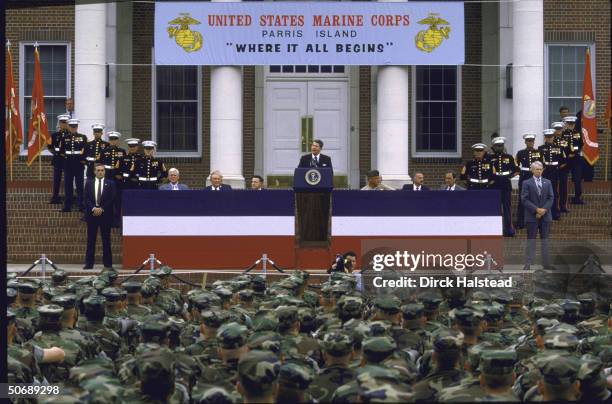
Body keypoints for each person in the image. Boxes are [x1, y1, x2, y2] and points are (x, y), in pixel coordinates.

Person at [521, 161, 554, 271]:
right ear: (532, 170)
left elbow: (551, 198)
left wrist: (543, 210)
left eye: (540, 169)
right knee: (531, 240)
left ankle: (546, 263)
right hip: (532, 216)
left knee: (545, 241)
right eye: (536, 169)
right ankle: (528, 263)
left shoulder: (548, 182)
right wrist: (536, 210)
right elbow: (524, 199)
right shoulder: (527, 183)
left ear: (542, 170)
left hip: (545, 216)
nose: (538, 171)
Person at [83, 163, 116, 270]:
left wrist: (102, 208)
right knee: (91, 240)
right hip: (92, 214)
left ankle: (108, 264)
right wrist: (93, 208)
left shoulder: (110, 183)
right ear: (94, 172)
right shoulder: (89, 183)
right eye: (98, 170)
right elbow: (86, 198)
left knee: (106, 240)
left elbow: (112, 198)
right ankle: (89, 263)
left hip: (105, 215)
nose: (100, 172)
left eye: (102, 170)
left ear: (105, 171)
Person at [489, 136, 519, 237]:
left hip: (506, 185)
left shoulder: (509, 157)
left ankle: (508, 229)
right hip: (494, 186)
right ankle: (494, 229)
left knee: (507, 208)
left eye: (501, 145)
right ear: (493, 146)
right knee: (494, 208)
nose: (500, 147)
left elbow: (516, 170)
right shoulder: (489, 158)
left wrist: (509, 176)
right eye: (498, 146)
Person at [60, 118, 87, 212]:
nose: (73, 128)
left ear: (77, 127)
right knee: (68, 185)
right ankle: (68, 205)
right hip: (68, 165)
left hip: (79, 164)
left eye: (75, 126)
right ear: (69, 127)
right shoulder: (64, 138)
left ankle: (81, 205)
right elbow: (62, 151)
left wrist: (83, 160)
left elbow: (85, 151)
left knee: (80, 185)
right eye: (71, 126)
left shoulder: (83, 137)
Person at [515, 133, 542, 229]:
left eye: (532, 141)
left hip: (535, 177)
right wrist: (518, 172)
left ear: (534, 142)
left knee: (536, 199)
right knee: (522, 199)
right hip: (524, 177)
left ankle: (535, 222)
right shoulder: (520, 153)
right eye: (528, 141)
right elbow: (516, 165)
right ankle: (520, 222)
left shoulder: (539, 152)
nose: (530, 142)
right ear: (525, 142)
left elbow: (543, 165)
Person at [538, 129, 566, 220]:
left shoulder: (559, 148)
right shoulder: (540, 148)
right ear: (545, 138)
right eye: (547, 137)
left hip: (555, 172)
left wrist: (558, 168)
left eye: (551, 137)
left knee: (554, 192)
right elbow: (537, 161)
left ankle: (555, 212)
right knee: (543, 192)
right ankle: (544, 212)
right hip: (545, 172)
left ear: (553, 137)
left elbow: (564, 160)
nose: (549, 138)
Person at [562, 115, 584, 204]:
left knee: (577, 178)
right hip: (566, 159)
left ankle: (577, 198)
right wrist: (567, 155)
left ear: (575, 124)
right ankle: (563, 198)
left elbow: (581, 144)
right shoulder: (563, 134)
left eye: (572, 123)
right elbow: (562, 147)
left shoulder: (578, 133)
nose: (571, 125)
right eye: (569, 123)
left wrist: (575, 152)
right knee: (563, 178)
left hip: (576, 158)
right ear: (566, 124)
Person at [48, 114, 70, 204]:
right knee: (56, 178)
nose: (63, 124)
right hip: (57, 159)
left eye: (65, 122)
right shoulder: (55, 135)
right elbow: (50, 147)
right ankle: (55, 196)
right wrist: (56, 153)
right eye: (62, 122)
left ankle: (68, 197)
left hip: (68, 159)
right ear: (59, 123)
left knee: (68, 179)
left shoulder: (70, 135)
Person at [553, 121, 571, 213]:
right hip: (553, 167)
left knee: (563, 187)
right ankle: (555, 207)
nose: (558, 131)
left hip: (564, 166)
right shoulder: (551, 140)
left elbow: (569, 152)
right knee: (554, 187)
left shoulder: (566, 140)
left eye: (560, 129)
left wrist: (564, 163)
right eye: (557, 129)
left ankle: (563, 205)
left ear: (563, 129)